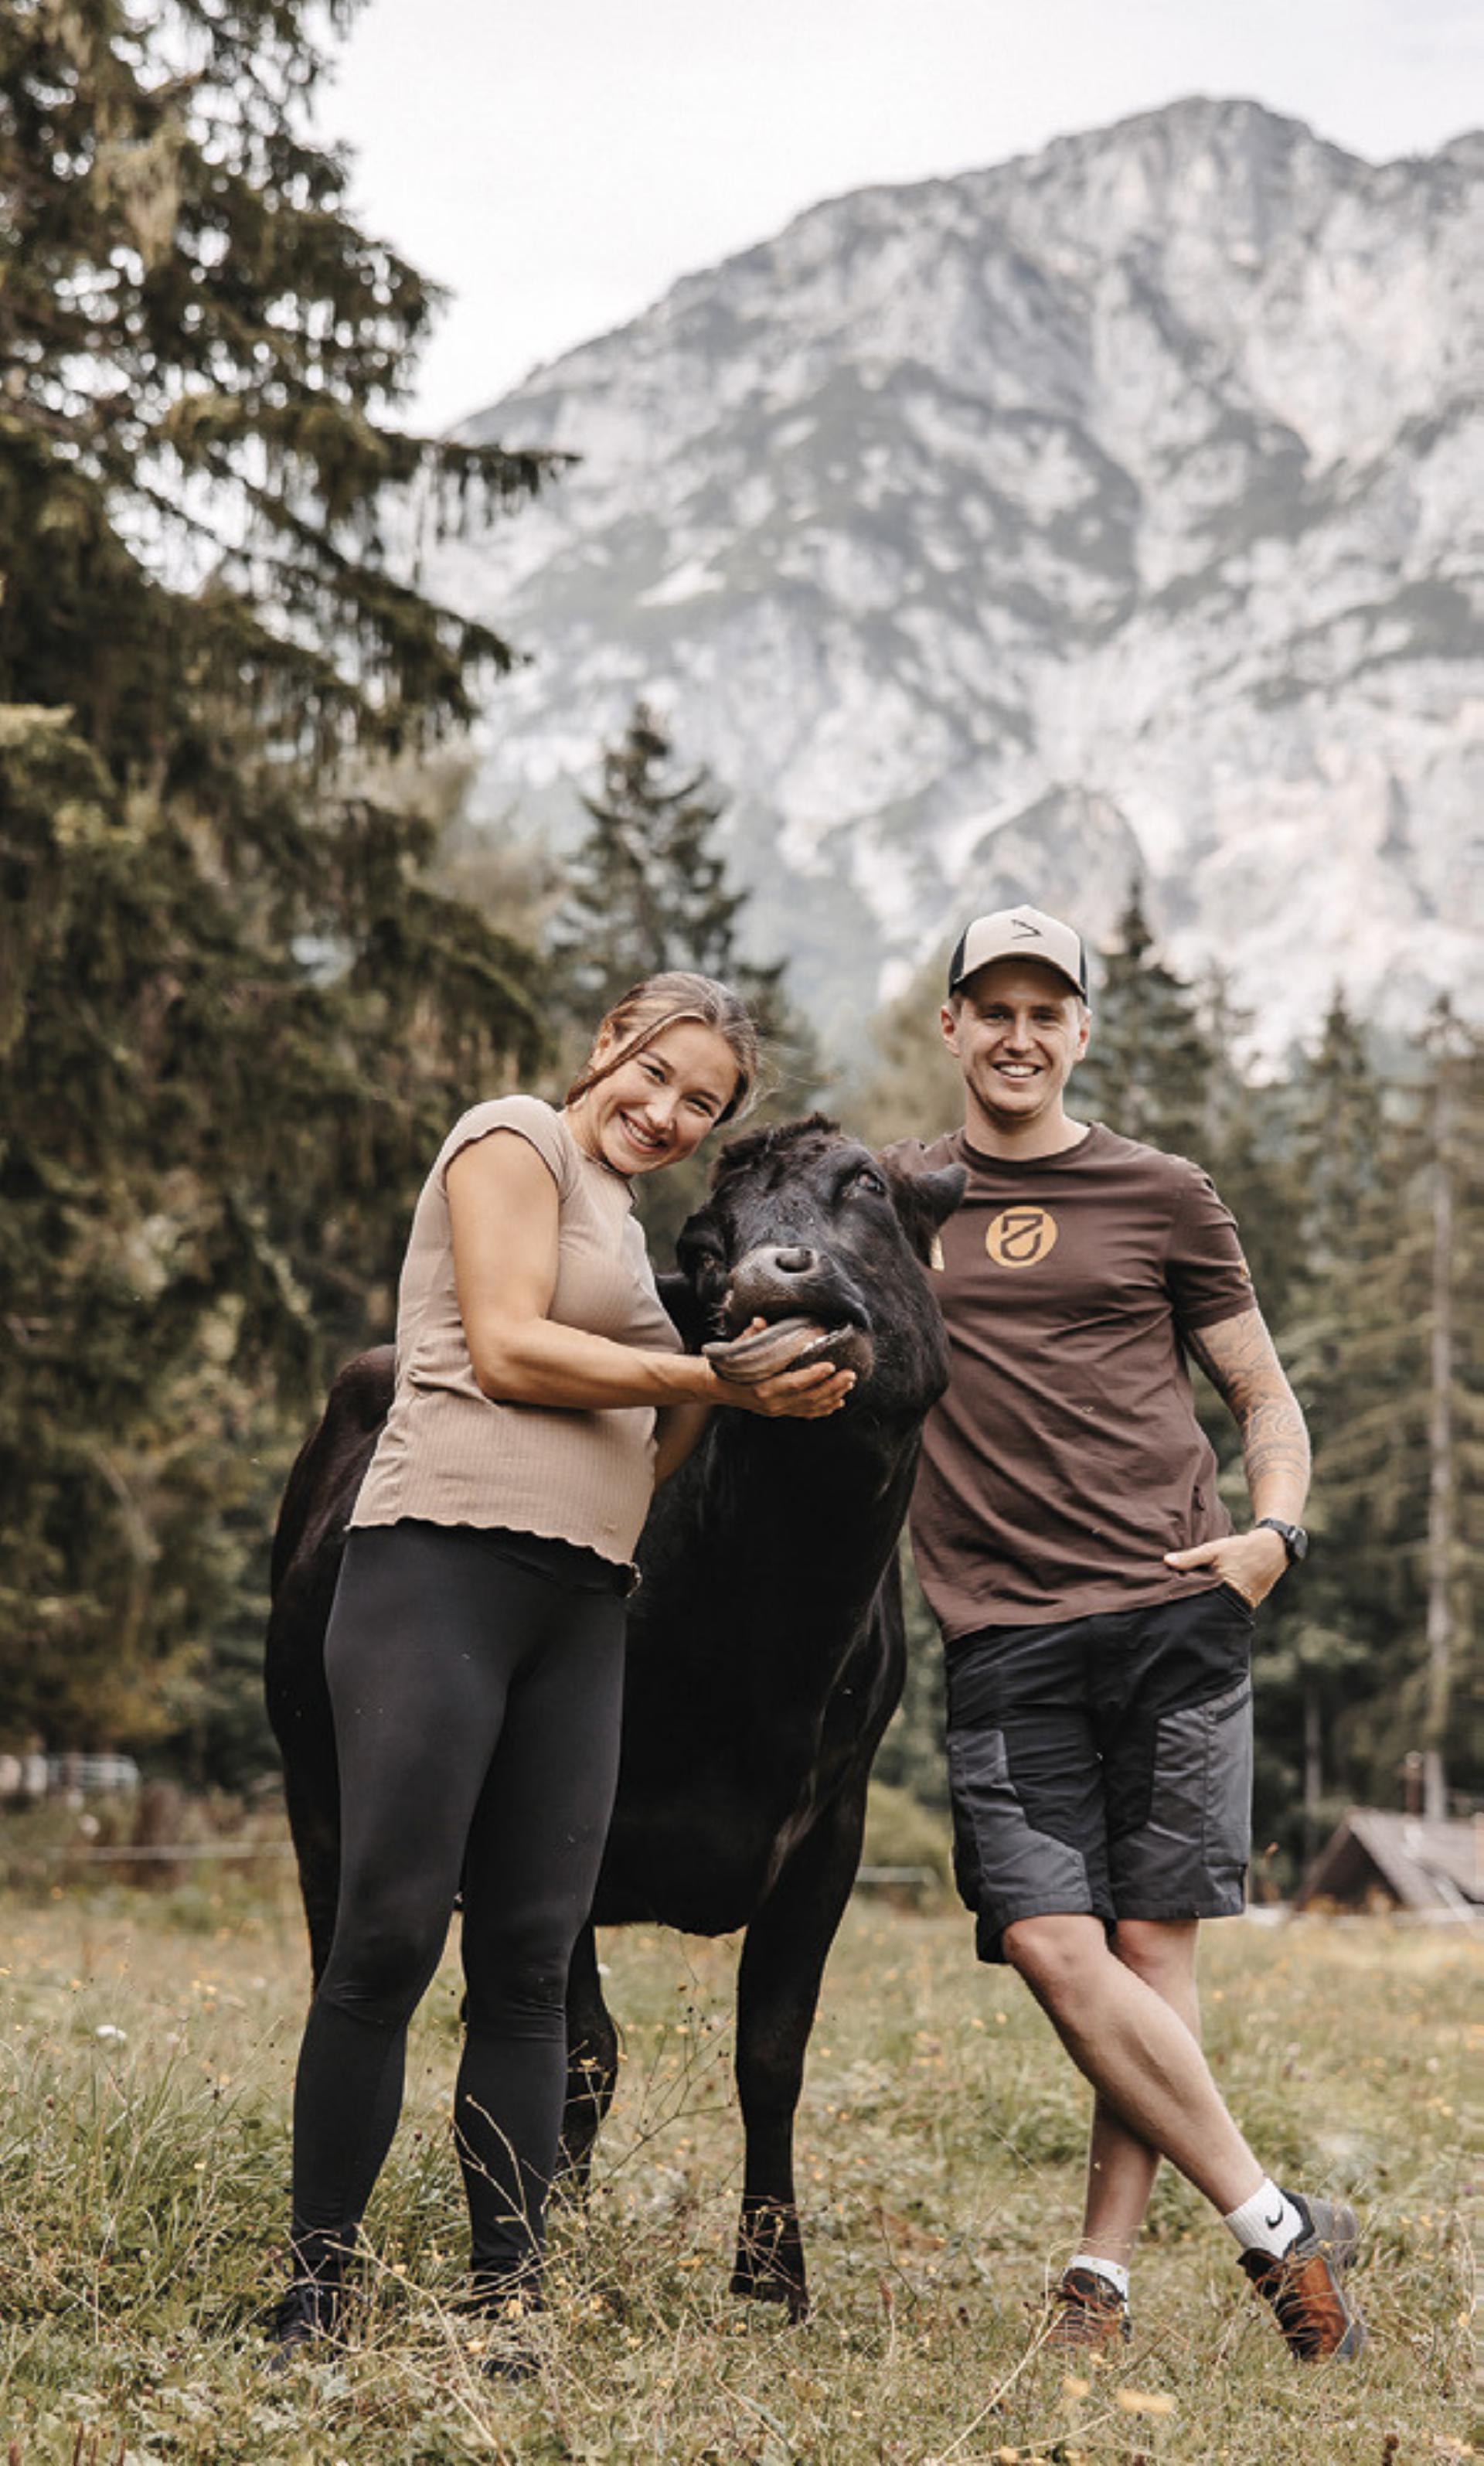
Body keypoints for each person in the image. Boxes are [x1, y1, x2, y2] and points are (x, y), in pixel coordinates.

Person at [270, 972, 854, 2366]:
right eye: (657, 1074)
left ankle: (509, 2297)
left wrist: (730, 1385)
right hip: (434, 1567)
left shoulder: (626, 1228)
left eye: (702, 1103)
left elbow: (657, 1435)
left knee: (532, 1963)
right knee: (388, 1940)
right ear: (610, 1044)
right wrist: (710, 1379)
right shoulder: (512, 1136)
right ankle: (315, 2286)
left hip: (583, 1602)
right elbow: (509, 1344)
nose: (667, 1111)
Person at [882, 905, 1364, 2363]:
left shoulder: (1163, 1193)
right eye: (994, 1008)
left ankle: (1098, 2279)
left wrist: (1275, 1534)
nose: (1020, 1035)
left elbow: (1263, 1396)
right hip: (1002, 1630)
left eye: (1049, 1011)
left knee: (1151, 1951)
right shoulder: (897, 1200)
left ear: (1083, 1030)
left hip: (1174, 1614)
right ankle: (1279, 2224)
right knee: (1050, 1940)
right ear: (952, 1025)